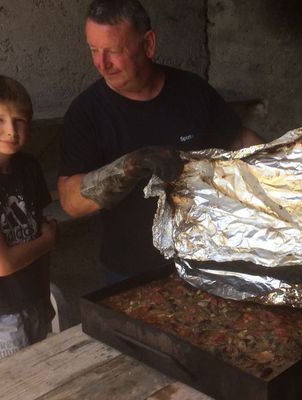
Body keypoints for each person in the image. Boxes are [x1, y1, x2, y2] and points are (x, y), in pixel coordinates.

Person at [57, 0, 263, 283]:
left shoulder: (192, 91)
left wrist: (292, 166)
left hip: (205, 260)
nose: (101, 64)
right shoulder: (86, 113)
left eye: (114, 51)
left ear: (148, 44)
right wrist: (128, 166)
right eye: (94, 50)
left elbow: (239, 139)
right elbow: (70, 201)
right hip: (131, 271)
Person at [0, 75, 58, 367]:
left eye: (20, 121)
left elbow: (38, 228)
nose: (11, 130)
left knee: (40, 379)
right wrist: (47, 242)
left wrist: (44, 296)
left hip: (33, 299)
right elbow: (1, 263)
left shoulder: (28, 166)